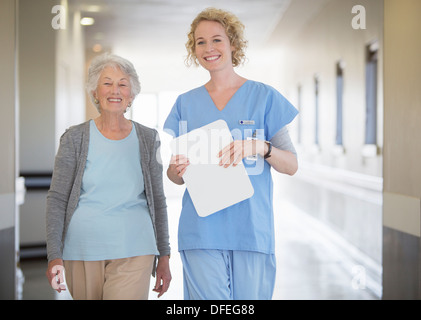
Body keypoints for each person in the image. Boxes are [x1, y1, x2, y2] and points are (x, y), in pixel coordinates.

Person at [164, 8, 299, 300]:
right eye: (200, 42)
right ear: (194, 49)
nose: (209, 48)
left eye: (217, 40)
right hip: (201, 230)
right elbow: (175, 177)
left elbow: (291, 165)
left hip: (251, 230)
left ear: (233, 44)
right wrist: (176, 170)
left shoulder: (264, 97)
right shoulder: (185, 104)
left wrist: (260, 147)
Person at [45, 53, 171, 300]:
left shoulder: (148, 138)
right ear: (95, 92)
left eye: (123, 84)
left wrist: (164, 255)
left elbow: (157, 198)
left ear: (131, 96)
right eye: (107, 83)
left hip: (136, 246)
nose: (115, 90)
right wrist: (54, 255)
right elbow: (58, 199)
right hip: (82, 247)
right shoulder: (74, 138)